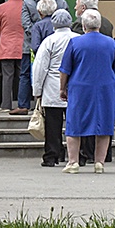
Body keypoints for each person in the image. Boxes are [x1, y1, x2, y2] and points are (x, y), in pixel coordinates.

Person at [59, 9, 115, 174]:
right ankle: (99, 163)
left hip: (80, 87)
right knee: (104, 124)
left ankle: (73, 162)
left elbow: (65, 69)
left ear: (83, 25)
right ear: (99, 25)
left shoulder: (75, 43)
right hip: (106, 88)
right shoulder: (111, 43)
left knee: (74, 123)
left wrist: (62, 88)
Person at [15, 0, 68, 115]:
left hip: (30, 46)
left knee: (25, 74)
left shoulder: (28, 2)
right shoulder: (62, 2)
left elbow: (25, 24)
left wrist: (37, 38)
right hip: (58, 47)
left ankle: (23, 104)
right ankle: (58, 100)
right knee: (58, 72)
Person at [71, 0, 115, 165]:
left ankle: (87, 154)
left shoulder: (78, 27)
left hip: (84, 77)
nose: (75, 7)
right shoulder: (108, 24)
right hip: (105, 76)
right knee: (103, 118)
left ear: (83, 7)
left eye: (76, 4)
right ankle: (104, 155)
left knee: (86, 117)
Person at [31, 9, 76, 167]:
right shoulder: (78, 39)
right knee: (75, 123)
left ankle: (52, 155)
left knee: (52, 126)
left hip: (52, 88)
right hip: (75, 89)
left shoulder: (49, 41)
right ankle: (78, 155)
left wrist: (37, 91)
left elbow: (40, 67)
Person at [0, 0, 24, 112]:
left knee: (7, 76)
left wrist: (4, 35)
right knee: (23, 76)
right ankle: (22, 103)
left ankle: (6, 105)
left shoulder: (2, 7)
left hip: (6, 46)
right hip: (23, 45)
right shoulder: (26, 5)